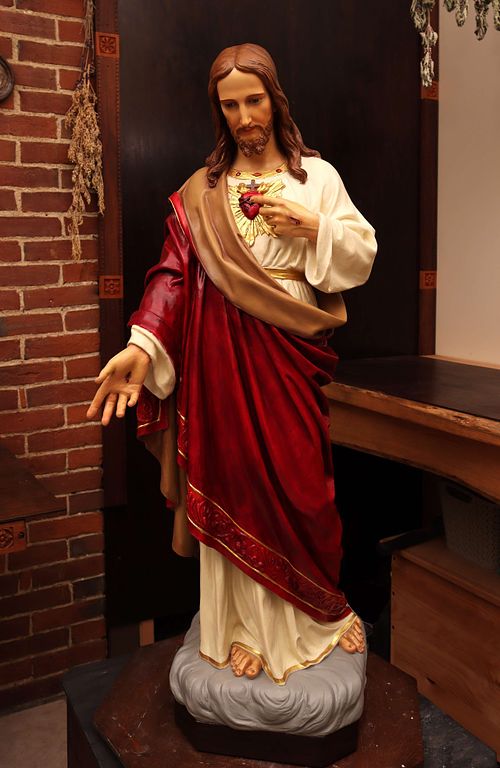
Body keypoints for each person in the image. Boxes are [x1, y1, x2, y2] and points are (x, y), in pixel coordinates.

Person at [87, 43, 377, 685]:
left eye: (255, 99)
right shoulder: (203, 191)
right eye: (231, 105)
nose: (246, 116)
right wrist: (142, 345)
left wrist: (312, 229)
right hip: (219, 361)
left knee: (302, 486)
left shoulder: (316, 178)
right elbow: (170, 274)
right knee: (235, 482)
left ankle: (316, 619)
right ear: (218, 112)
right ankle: (242, 630)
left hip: (287, 354)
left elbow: (360, 254)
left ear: (275, 98)